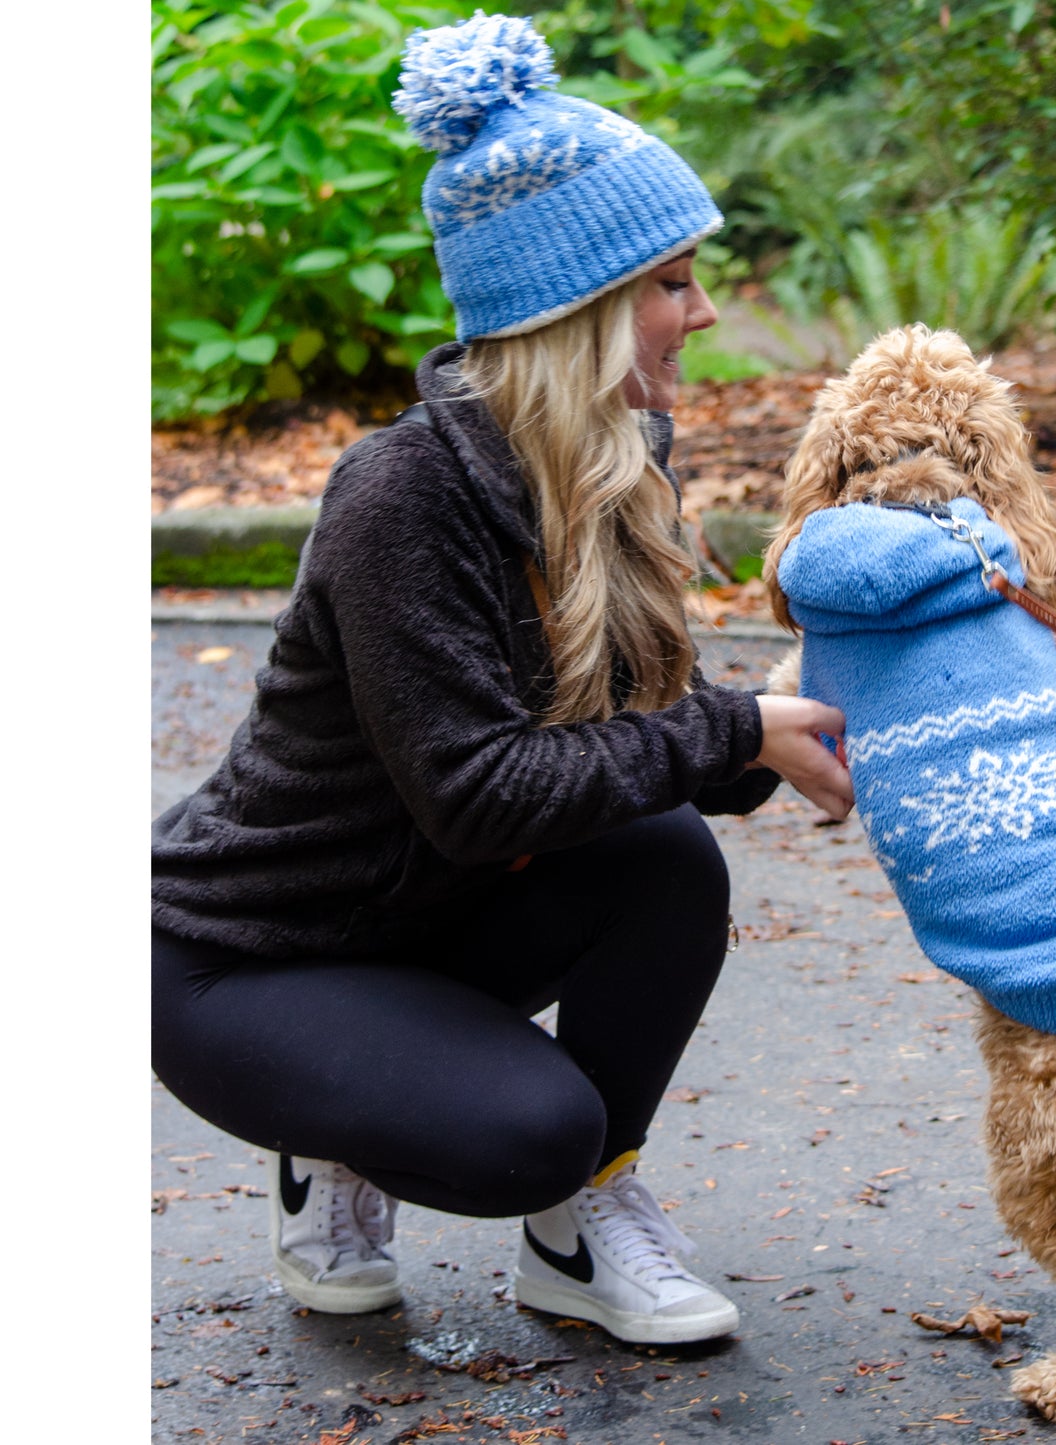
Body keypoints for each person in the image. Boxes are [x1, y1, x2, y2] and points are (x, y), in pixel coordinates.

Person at [151, 10, 852, 1347]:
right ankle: (338, 1135)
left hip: (430, 918)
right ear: (574, 307)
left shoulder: (621, 462)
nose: (701, 311)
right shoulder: (400, 494)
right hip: (247, 960)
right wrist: (733, 729)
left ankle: (583, 1224)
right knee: (524, 1127)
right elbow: (479, 792)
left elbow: (656, 752)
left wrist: (807, 712)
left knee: (664, 856)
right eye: (672, 282)